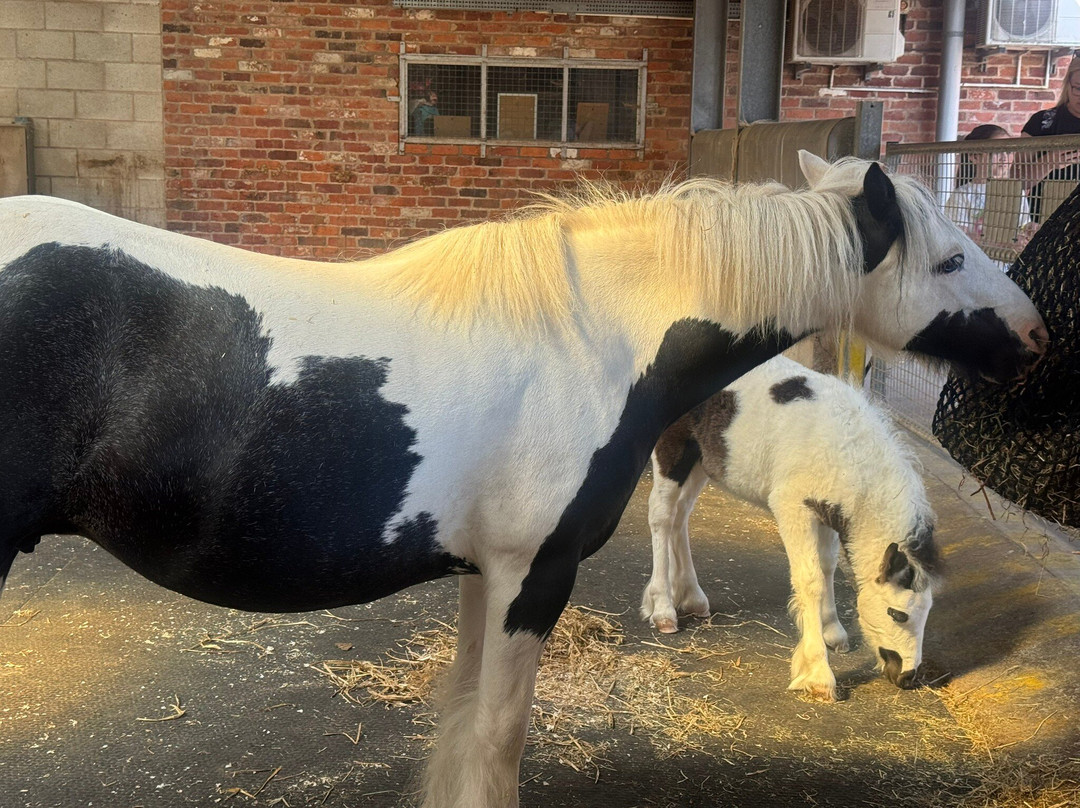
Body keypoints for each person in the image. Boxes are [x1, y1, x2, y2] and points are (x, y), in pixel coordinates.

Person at [1019, 56, 1080, 221]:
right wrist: (1050, 160)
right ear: (1067, 85)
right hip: (1043, 221)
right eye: (1078, 89)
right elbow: (1016, 182)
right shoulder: (1042, 121)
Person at [947, 124, 1030, 240]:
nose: (1004, 157)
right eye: (997, 151)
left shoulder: (1015, 192)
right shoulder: (962, 195)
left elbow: (1023, 227)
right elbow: (959, 238)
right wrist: (999, 243)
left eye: (1009, 151)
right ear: (975, 157)